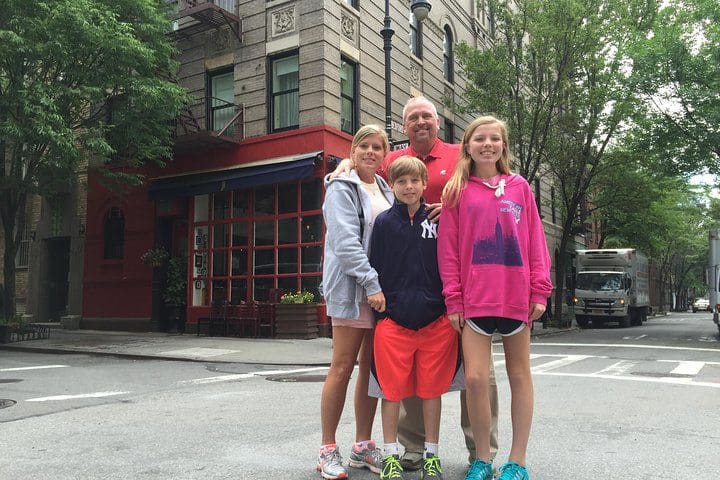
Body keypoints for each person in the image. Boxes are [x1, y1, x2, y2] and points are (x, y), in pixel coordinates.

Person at [334, 96, 500, 471]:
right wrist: (346, 164)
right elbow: (367, 167)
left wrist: (454, 208)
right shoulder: (394, 160)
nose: (420, 122)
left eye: (426, 116)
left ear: (438, 122)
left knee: (477, 373)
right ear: (404, 126)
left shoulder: (462, 154)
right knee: (410, 371)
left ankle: (481, 452)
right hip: (411, 292)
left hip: (463, 279)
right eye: (413, 118)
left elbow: (489, 188)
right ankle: (412, 448)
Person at [437, 116, 552, 480]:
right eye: (479, 139)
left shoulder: (520, 188)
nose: (487, 144)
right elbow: (449, 250)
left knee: (520, 376)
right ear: (467, 146)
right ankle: (482, 459)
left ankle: (517, 461)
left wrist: (540, 289)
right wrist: (453, 299)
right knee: (475, 378)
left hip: (516, 296)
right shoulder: (456, 191)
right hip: (474, 299)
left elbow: (535, 242)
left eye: (494, 139)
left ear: (503, 146)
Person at [368, 156, 464, 480]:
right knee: (390, 392)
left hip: (435, 321)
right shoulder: (383, 223)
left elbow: (453, 260)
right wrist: (379, 310)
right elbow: (374, 266)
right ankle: (390, 453)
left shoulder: (439, 218)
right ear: (392, 186)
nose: (409, 187)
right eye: (401, 181)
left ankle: (431, 455)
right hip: (394, 321)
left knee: (431, 391)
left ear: (424, 184)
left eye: (414, 181)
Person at [317, 124, 395, 479]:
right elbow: (345, 243)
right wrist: (371, 283)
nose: (370, 152)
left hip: (379, 292)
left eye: (377, 147)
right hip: (352, 289)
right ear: (353, 150)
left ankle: (362, 446)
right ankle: (327, 449)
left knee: (370, 369)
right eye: (364, 145)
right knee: (342, 366)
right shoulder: (340, 186)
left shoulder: (386, 189)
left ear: (384, 154)